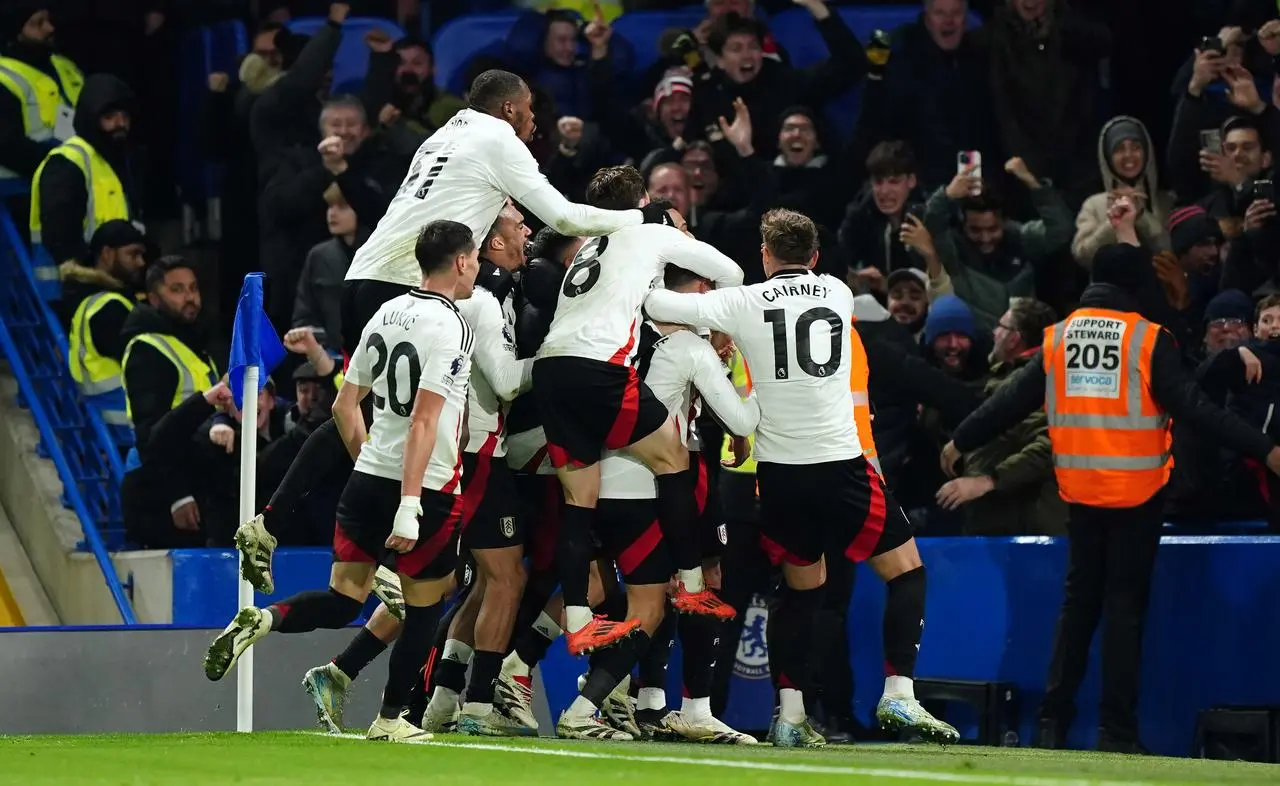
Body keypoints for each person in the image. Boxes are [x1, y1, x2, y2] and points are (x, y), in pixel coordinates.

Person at [233, 68, 670, 591]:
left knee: (364, 413)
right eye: (529, 109)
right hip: (407, 285)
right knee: (427, 417)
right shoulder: (498, 138)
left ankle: (275, 525)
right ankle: (395, 550)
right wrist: (643, 223)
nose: (534, 120)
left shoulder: (444, 134)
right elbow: (566, 216)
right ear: (509, 108)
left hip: (363, 279)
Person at [942, 206, 1280, 752]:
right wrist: (1266, 449)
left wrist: (962, 438)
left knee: (1077, 610)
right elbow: (1197, 410)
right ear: (1133, 283)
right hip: (1138, 498)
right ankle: (1116, 731)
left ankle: (1052, 721)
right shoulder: (1149, 339)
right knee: (1123, 613)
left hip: (1080, 495)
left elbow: (1008, 401)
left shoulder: (1059, 338)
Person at [643, 208, 959, 748]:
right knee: (907, 572)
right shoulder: (836, 292)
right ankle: (899, 693)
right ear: (814, 257)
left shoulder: (741, 303)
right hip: (841, 466)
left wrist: (651, 252)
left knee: (800, 592)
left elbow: (657, 303)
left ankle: (789, 715)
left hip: (780, 479)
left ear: (764, 257)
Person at [202, 220, 480, 746]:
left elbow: (343, 405)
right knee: (424, 605)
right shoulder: (453, 326)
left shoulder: (386, 313)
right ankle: (391, 718)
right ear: (462, 261)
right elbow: (425, 420)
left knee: (343, 598)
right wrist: (410, 502)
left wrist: (368, 467)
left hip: (367, 480)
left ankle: (264, 619)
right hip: (430, 488)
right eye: (475, 261)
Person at [532, 165, 744, 656]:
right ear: (642, 201)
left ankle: (580, 620)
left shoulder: (586, 247)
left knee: (578, 502)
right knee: (673, 458)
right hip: (599, 371)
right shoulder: (648, 235)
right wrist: (720, 332)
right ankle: (691, 585)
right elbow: (729, 272)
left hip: (550, 370)